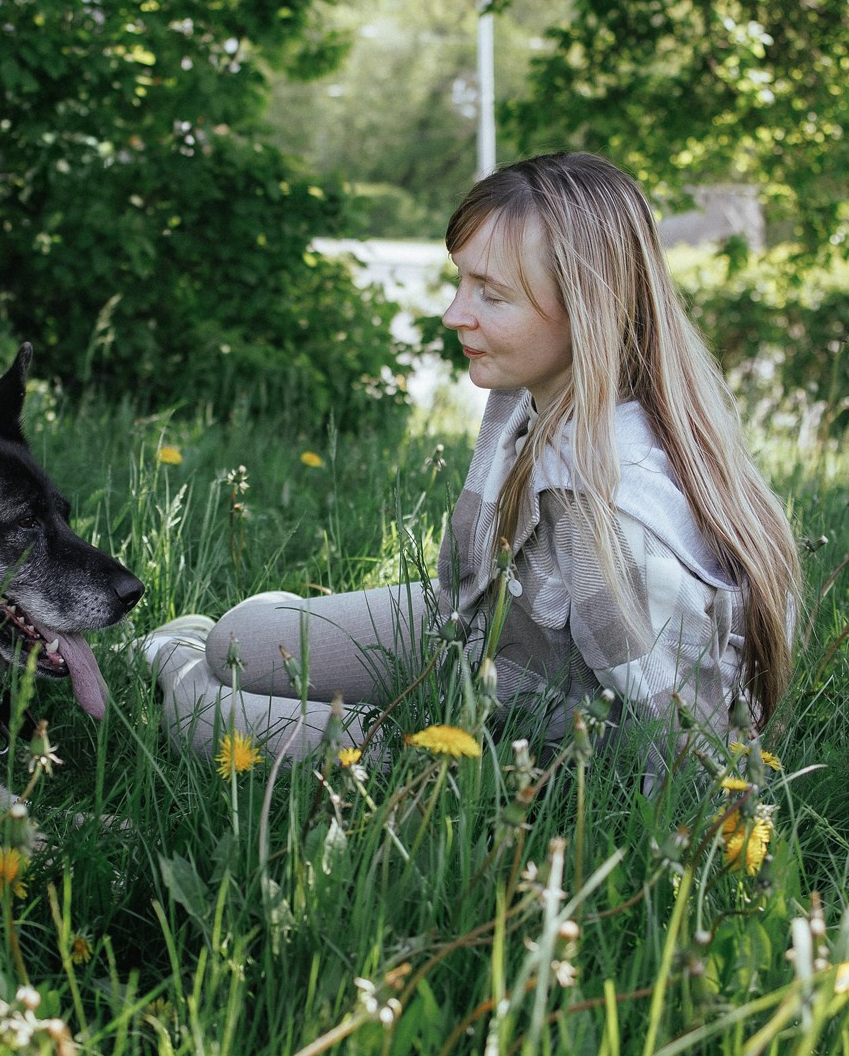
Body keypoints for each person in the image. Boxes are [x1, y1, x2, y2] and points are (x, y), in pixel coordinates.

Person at [140, 152, 801, 767]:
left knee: (205, 716)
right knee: (237, 640)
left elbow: (688, 748)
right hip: (482, 633)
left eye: (491, 293)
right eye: (461, 280)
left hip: (524, 740)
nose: (456, 314)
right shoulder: (534, 390)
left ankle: (172, 657)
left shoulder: (607, 512)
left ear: (587, 308)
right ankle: (203, 645)